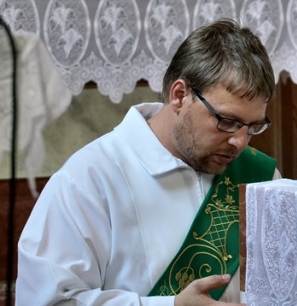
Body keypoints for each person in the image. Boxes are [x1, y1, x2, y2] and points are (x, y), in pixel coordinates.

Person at [17, 19, 277, 305]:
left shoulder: (261, 178)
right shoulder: (88, 181)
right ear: (180, 96)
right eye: (227, 121)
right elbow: (47, 301)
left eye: (253, 127)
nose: (240, 142)